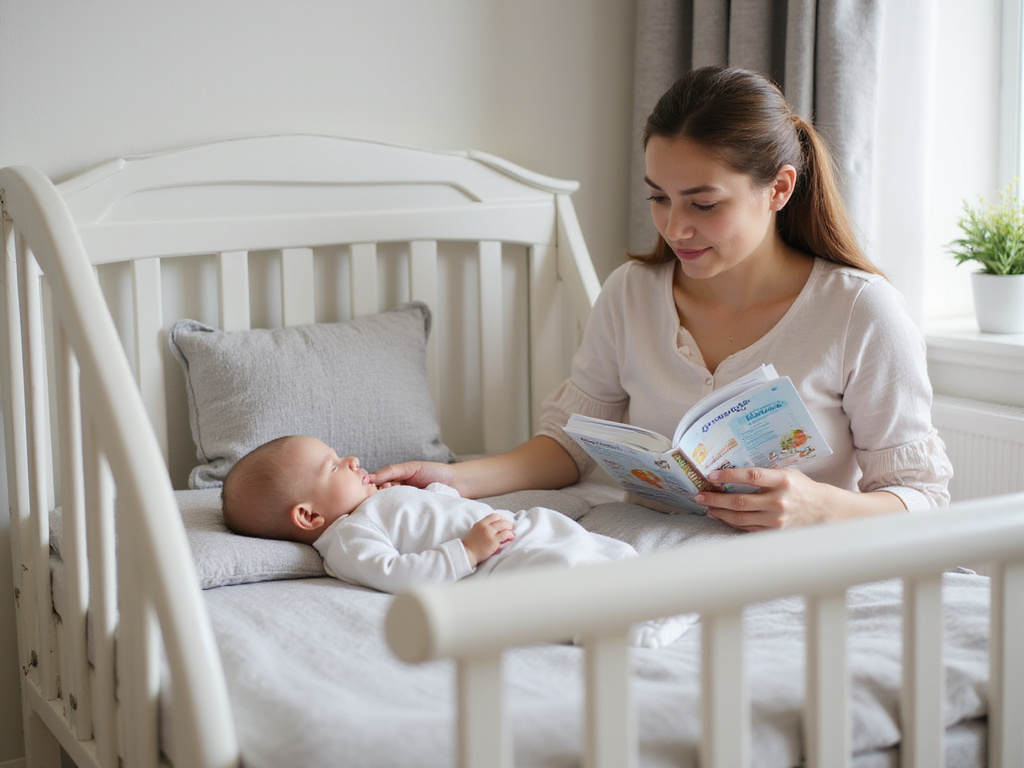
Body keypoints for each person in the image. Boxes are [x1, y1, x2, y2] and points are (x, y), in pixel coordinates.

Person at [372, 65, 953, 531]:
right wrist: (456, 478)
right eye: (658, 197)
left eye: (703, 204)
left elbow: (923, 497)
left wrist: (817, 507)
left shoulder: (860, 311)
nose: (675, 228)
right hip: (653, 555)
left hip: (798, 567)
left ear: (778, 189)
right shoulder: (630, 294)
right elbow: (569, 446)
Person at [221, 435, 694, 648]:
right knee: (561, 584)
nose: (350, 459)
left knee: (599, 552)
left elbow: (442, 509)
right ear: (308, 516)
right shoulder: (347, 540)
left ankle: (656, 591)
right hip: (494, 564)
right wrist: (465, 551)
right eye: (331, 466)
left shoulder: (372, 504)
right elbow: (396, 575)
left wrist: (433, 492)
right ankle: (639, 631)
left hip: (519, 528)